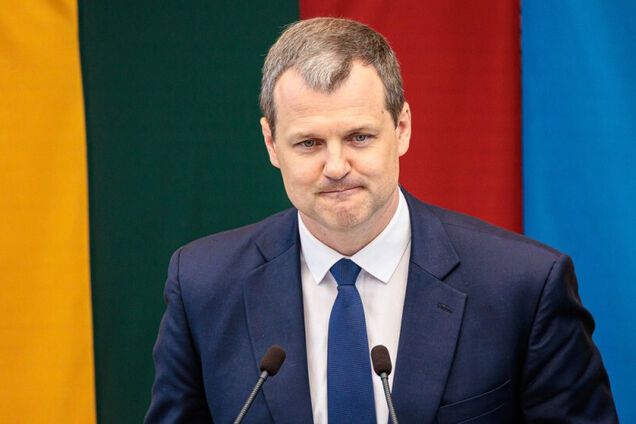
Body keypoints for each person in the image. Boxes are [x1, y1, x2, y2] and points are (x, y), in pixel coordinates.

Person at [145, 17, 618, 423]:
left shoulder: (523, 287)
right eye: (309, 143)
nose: (335, 166)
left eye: (359, 137)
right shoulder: (203, 286)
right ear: (271, 144)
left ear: (402, 128)